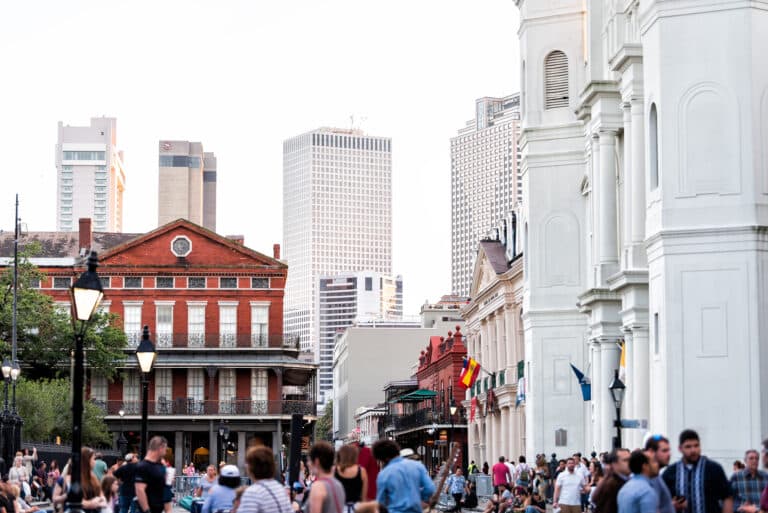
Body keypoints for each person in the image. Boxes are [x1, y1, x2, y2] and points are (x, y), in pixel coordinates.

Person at [661, 430, 733, 513]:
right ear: (680, 449)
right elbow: (660, 500)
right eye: (688, 447)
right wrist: (672, 505)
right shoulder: (670, 472)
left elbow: (727, 497)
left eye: (696, 446)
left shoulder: (714, 469)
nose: (693, 450)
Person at [372, 439, 435, 513]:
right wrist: (418, 497)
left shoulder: (383, 474)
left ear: (384, 458)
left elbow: (381, 502)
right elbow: (430, 488)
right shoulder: (418, 466)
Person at [237, 445, 293, 513]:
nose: (245, 466)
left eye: (247, 463)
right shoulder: (280, 489)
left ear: (252, 467)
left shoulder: (252, 493)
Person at [306, 442, 345, 513]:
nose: (308, 464)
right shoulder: (338, 484)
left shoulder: (318, 486)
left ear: (317, 461)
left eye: (309, 460)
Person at [135, 436, 170, 513]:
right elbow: (140, 490)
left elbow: (165, 488)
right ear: (161, 447)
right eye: (165, 449)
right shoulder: (143, 466)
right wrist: (147, 510)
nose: (165, 452)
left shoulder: (160, 465)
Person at [592, 449, 630, 513]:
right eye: (625, 460)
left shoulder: (623, 480)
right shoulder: (613, 484)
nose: (630, 463)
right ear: (614, 464)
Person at [644, 435, 675, 513]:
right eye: (664, 451)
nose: (669, 454)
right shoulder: (648, 478)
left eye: (669, 450)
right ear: (651, 452)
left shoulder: (657, 476)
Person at [81, 447, 108, 513]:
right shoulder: (77, 477)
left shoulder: (92, 476)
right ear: (87, 460)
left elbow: (100, 493)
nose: (94, 462)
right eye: (93, 459)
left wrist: (101, 499)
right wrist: (93, 502)